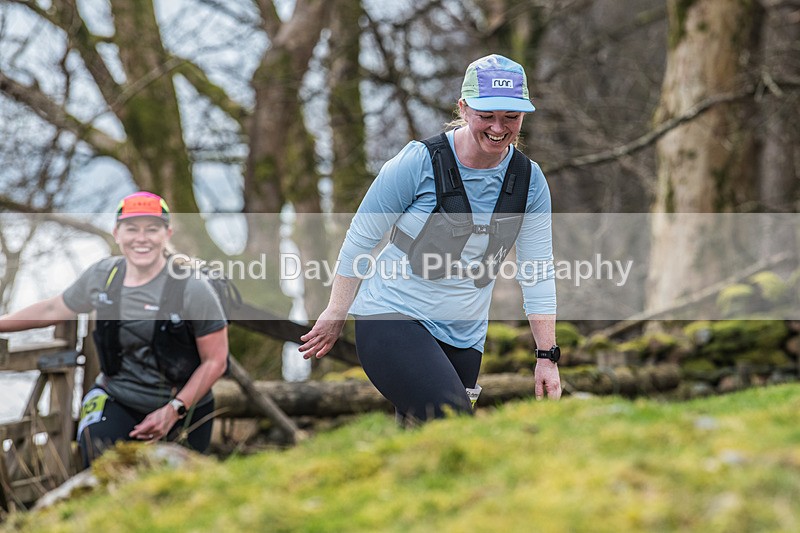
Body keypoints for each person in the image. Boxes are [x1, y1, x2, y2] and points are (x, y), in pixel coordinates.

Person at [299, 54, 560, 424]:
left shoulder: (529, 182)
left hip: (465, 335)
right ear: (464, 108)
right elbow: (361, 238)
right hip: (392, 316)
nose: (499, 128)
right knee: (453, 427)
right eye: (487, 116)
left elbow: (537, 271)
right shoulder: (418, 162)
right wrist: (336, 311)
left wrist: (546, 357)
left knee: (430, 454)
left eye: (511, 117)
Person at [0, 191, 229, 467]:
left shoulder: (192, 287)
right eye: (131, 229)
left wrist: (173, 410)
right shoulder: (103, 277)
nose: (141, 238)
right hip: (117, 398)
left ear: (167, 233)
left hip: (185, 407)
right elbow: (53, 309)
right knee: (100, 469)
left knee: (179, 495)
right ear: (117, 233)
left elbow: (215, 360)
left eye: (152, 229)